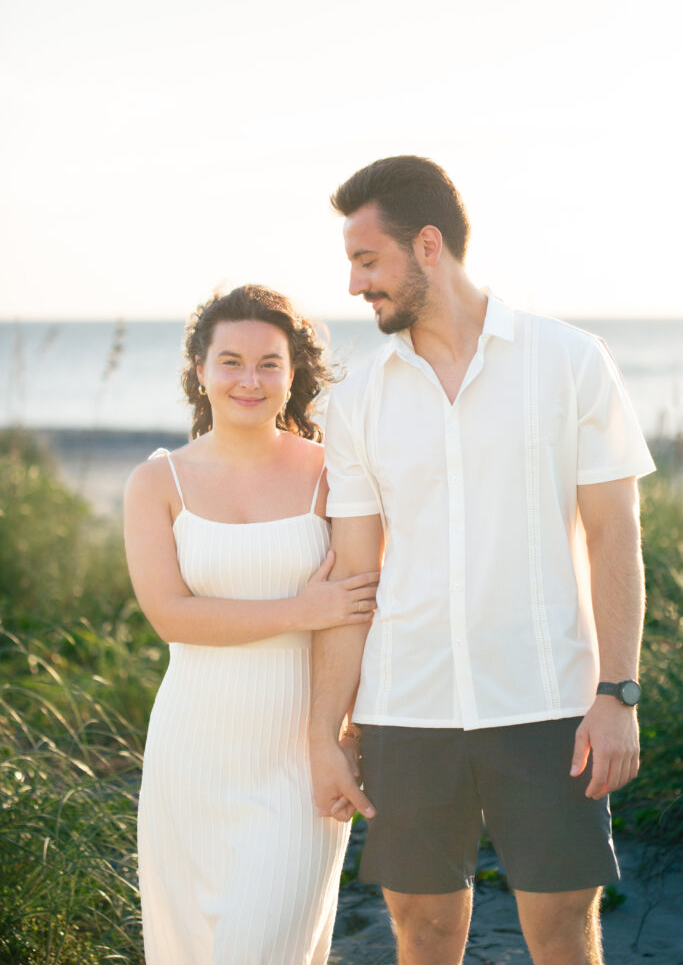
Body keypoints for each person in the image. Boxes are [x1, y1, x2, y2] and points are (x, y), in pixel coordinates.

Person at [310, 156, 656, 965]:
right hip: (406, 709)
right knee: (422, 932)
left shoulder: (568, 361)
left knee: (564, 928)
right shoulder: (355, 400)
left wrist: (618, 693)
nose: (357, 285)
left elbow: (613, 534)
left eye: (368, 260)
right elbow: (354, 578)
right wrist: (328, 729)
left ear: (427, 245)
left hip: (547, 706)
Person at [123, 284, 379, 965]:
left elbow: (356, 612)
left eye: (270, 363)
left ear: (293, 376)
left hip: (299, 755)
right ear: (199, 370)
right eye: (230, 361)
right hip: (191, 754)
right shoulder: (158, 483)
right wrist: (301, 609)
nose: (249, 379)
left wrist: (340, 733)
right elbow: (171, 616)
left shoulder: (333, 476)